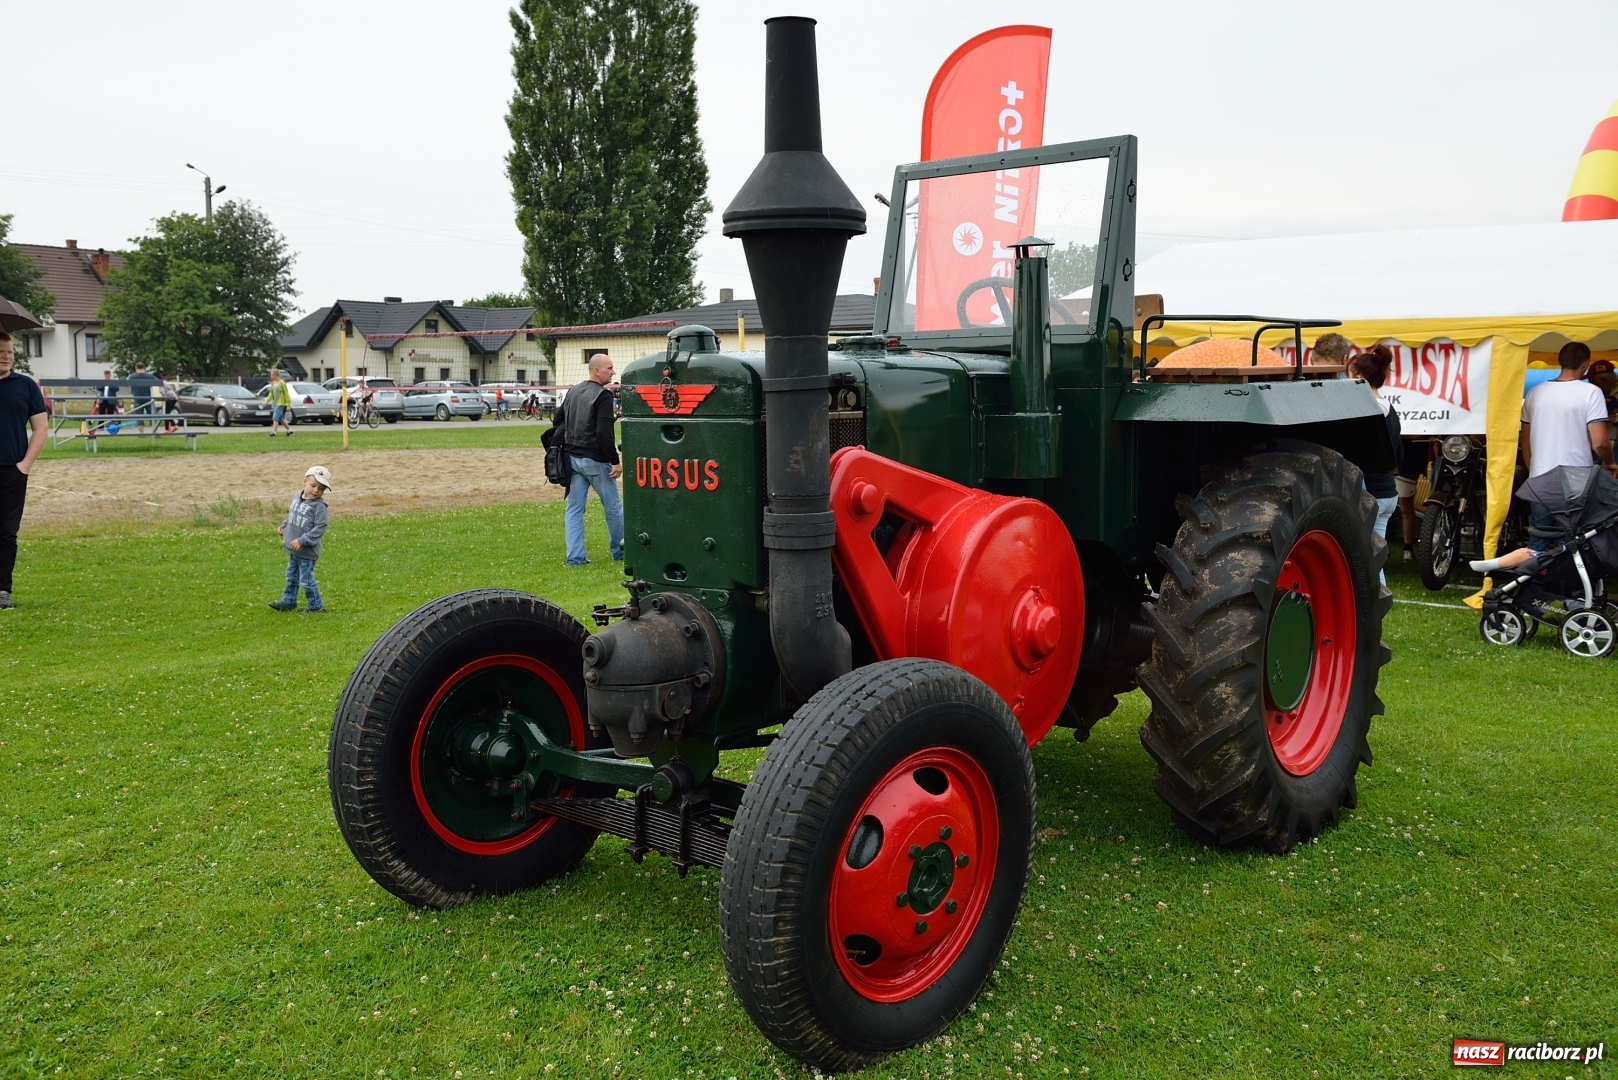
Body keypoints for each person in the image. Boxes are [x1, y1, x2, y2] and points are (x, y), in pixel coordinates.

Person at [1521, 342, 1617, 550]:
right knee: (1572, 541)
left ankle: (1533, 581)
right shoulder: (1591, 393)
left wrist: (1533, 471)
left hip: (1541, 478)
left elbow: (1525, 441)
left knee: (1538, 538)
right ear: (1586, 364)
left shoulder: (1534, 393)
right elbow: (1600, 441)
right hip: (1576, 479)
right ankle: (1567, 582)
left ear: (1559, 361)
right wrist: (1610, 461)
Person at [554, 354, 624, 566]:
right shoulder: (603, 396)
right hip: (595, 460)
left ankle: (575, 558)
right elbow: (604, 433)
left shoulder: (573, 391)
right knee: (613, 507)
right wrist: (615, 460)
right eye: (609, 368)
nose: (613, 372)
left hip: (572, 459)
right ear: (597, 371)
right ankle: (620, 552)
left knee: (574, 509)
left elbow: (558, 419)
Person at [0, 332, 49, 610]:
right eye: (1, 352)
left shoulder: (26, 386)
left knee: (7, 532)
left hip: (13, 471)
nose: (6, 357)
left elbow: (41, 428)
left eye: (10, 352)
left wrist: (25, 466)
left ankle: (2, 590)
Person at [1347, 345, 1402, 585]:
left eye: (1347, 377)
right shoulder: (1390, 410)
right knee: (1374, 556)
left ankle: (1378, 609)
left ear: (1358, 379)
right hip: (1387, 493)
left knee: (1371, 559)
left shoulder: (1367, 412)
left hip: (1373, 495)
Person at [270, 465, 332, 613]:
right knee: (291, 576)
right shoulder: (297, 496)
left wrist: (303, 540)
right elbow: (293, 515)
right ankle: (289, 601)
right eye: (313, 485)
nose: (316, 490)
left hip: (306, 551)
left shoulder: (319, 506)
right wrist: (284, 526)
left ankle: (316, 606)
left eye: (321, 488)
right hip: (294, 549)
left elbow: (320, 526)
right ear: (304, 482)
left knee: (307, 579)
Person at [1394, 439, 1428, 563]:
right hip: (1385, 458)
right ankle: (1380, 545)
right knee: (1380, 503)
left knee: (1405, 505)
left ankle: (1408, 548)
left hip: (1408, 459)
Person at [128, 361, 160, 430]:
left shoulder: (132, 377)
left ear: (136, 368)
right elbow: (159, 383)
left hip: (137, 399)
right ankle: (155, 433)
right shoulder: (150, 376)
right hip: (148, 399)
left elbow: (130, 386)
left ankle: (141, 434)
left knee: (139, 417)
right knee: (154, 416)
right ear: (144, 368)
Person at [267, 369, 295, 437]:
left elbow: (286, 394)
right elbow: (271, 393)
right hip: (275, 403)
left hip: (281, 403)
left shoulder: (282, 383)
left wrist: (288, 405)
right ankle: (290, 431)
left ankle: (274, 433)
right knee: (281, 419)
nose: (271, 376)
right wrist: (266, 401)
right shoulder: (273, 383)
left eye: (272, 374)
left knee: (275, 417)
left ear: (276, 375)